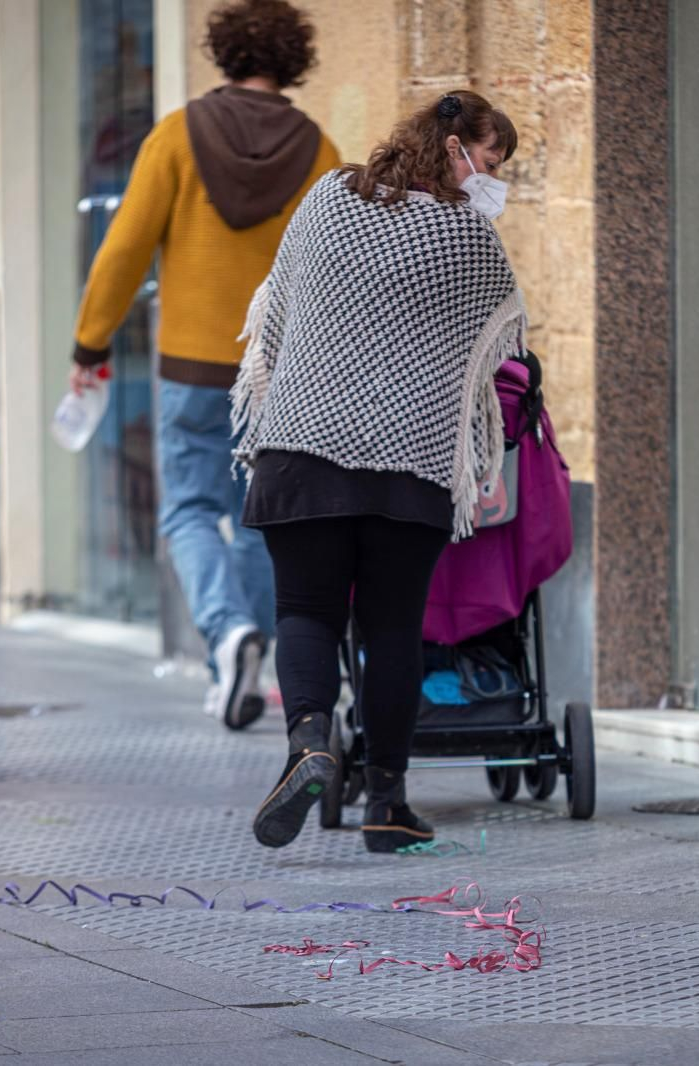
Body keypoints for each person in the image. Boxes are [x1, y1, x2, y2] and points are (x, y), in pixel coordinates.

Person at [232, 91, 523, 853]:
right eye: (489, 162)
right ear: (456, 147)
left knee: (304, 611)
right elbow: (497, 354)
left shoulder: (330, 196)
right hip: (411, 464)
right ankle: (387, 804)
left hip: (301, 447)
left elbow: (280, 312)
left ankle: (309, 745)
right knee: (391, 629)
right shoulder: (468, 238)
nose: (489, 180)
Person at [68, 0, 339, 729]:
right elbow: (334, 269)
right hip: (276, 374)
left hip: (188, 369)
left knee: (187, 508)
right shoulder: (318, 152)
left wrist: (90, 345)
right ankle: (256, 651)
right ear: (293, 59)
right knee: (259, 520)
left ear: (224, 52)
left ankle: (227, 636)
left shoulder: (176, 137)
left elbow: (123, 249)